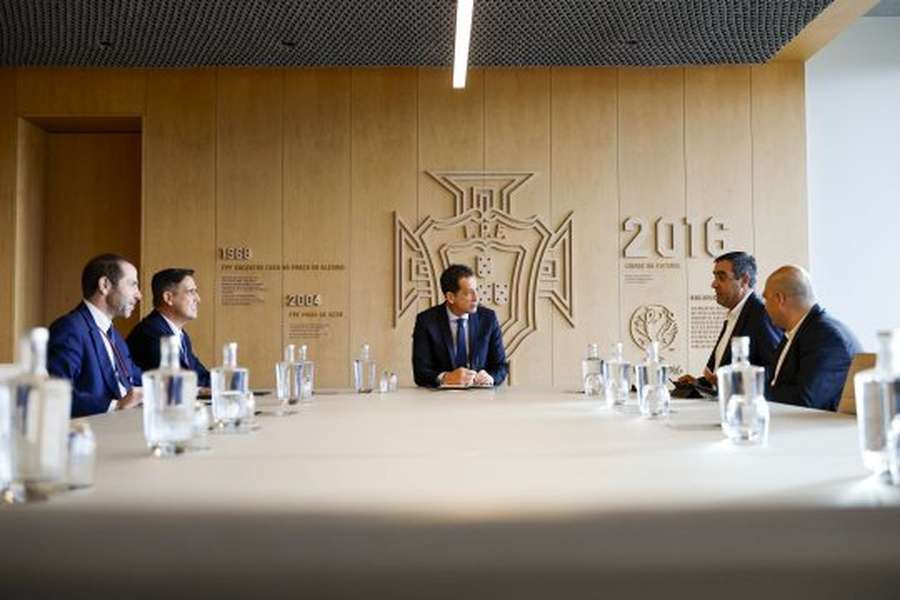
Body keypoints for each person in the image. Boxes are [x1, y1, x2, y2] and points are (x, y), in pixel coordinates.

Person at [48, 254, 143, 417]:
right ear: (105, 285)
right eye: (133, 284)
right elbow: (57, 394)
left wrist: (185, 388)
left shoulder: (114, 336)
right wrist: (117, 405)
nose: (139, 295)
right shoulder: (69, 329)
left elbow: (136, 377)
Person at [677, 251, 783, 391]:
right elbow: (720, 374)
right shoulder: (734, 315)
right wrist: (699, 383)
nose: (714, 284)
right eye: (715, 277)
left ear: (744, 280)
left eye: (721, 277)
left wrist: (732, 381)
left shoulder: (761, 315)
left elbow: (777, 370)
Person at [763, 265, 862, 411]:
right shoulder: (799, 331)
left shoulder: (826, 337)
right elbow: (775, 380)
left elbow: (805, 400)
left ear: (779, 299)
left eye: (766, 299)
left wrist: (752, 393)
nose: (764, 307)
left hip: (819, 430)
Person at [412, 264, 508, 387]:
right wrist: (446, 378)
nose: (476, 298)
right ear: (451, 297)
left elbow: (501, 366)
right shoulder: (426, 321)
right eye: (469, 293)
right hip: (439, 401)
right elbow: (420, 373)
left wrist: (490, 377)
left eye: (476, 290)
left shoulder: (488, 318)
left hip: (481, 398)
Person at [127, 268, 210, 389]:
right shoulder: (152, 333)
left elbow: (199, 375)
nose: (198, 299)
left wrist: (231, 385)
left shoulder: (181, 335)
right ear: (168, 298)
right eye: (191, 292)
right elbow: (178, 382)